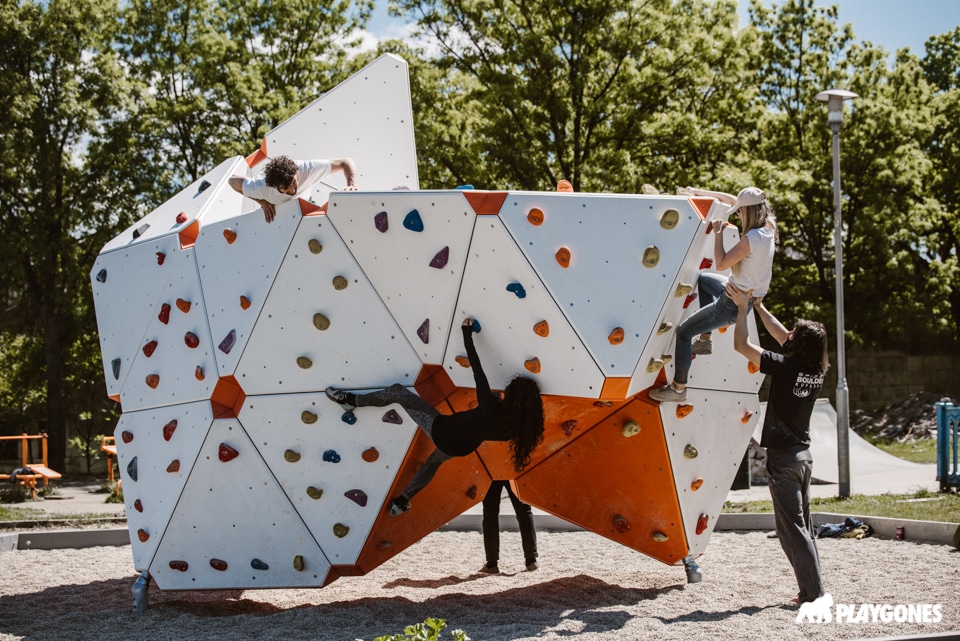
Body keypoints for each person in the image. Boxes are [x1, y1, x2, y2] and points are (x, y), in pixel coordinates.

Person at [326, 318, 545, 517]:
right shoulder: (515, 428)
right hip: (462, 447)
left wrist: (466, 333)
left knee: (397, 392)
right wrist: (495, 400)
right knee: (432, 464)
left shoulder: (491, 407)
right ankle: (401, 502)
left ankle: (351, 401)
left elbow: (477, 370)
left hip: (442, 429)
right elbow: (491, 417)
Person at [727, 283, 829, 605]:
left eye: (795, 334)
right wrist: (759, 307)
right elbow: (783, 334)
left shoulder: (785, 368)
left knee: (793, 532)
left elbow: (742, 345)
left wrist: (742, 308)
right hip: (803, 459)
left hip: (785, 463)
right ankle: (811, 591)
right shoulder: (817, 369)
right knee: (802, 530)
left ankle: (814, 595)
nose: (790, 334)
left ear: (799, 344)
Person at [650, 186, 778, 403]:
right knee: (704, 280)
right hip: (741, 293)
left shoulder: (752, 238)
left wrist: (718, 234)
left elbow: (721, 263)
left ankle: (678, 388)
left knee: (683, 332)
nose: (737, 215)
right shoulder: (768, 228)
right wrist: (697, 191)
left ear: (749, 212)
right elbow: (731, 200)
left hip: (732, 303)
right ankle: (706, 340)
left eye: (740, 212)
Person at [228, 154, 358, 223]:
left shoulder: (307, 169)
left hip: (304, 202)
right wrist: (262, 202)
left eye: (294, 182)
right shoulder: (260, 186)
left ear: (296, 172)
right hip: (276, 209)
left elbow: (346, 161)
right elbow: (232, 180)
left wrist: (352, 185)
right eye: (286, 188)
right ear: (275, 186)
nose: (292, 190)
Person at [480, 480, 538, 574]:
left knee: (490, 514)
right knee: (524, 511)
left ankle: (491, 563)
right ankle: (531, 560)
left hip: (492, 469)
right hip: (513, 468)